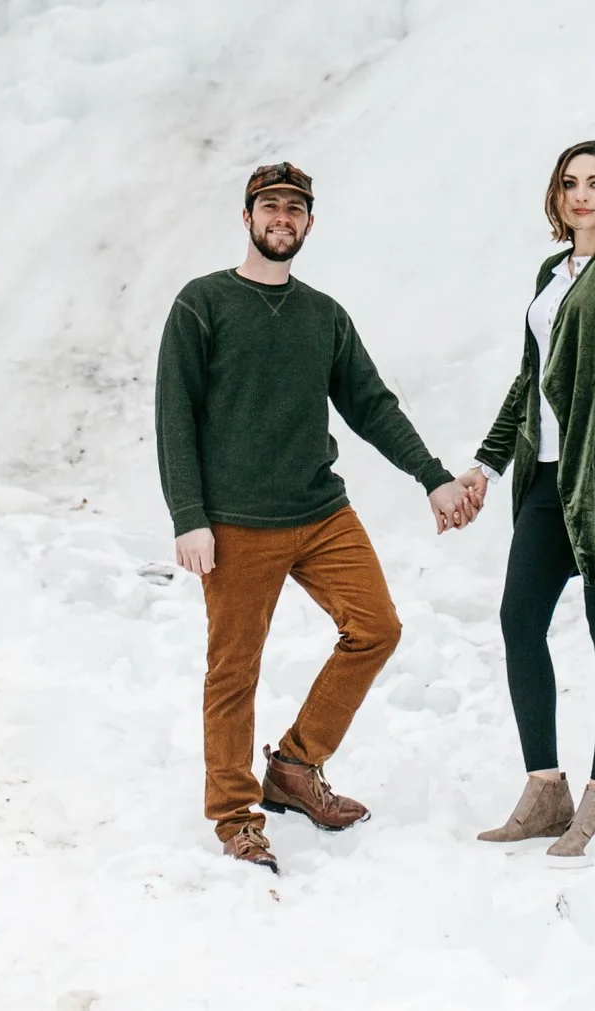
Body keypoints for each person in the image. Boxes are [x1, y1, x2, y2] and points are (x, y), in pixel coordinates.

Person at [156, 161, 479, 874]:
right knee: (233, 670)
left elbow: (370, 403)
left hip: (319, 510)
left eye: (295, 208)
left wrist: (432, 475)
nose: (282, 217)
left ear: (309, 223)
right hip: (235, 521)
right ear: (247, 218)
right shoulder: (201, 303)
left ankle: (296, 767)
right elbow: (174, 415)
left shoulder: (323, 315)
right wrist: (189, 515)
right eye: (269, 206)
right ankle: (236, 816)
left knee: (376, 627)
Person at [460, 139, 595, 862]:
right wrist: (487, 462)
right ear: (556, 195)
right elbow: (530, 380)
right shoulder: (552, 273)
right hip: (545, 479)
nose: (582, 194)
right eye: (570, 182)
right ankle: (545, 787)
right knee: (520, 618)